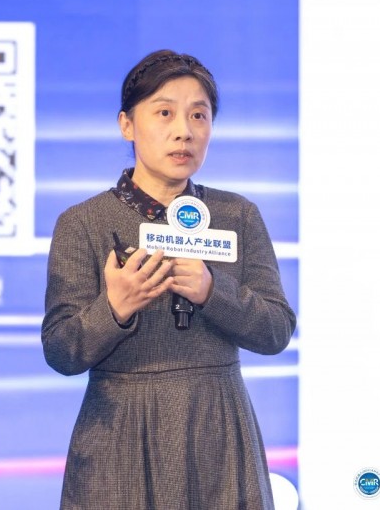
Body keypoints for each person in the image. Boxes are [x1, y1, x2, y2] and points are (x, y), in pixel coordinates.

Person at [41, 49, 296, 509]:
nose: (184, 131)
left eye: (199, 115)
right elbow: (61, 351)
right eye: (164, 113)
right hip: (120, 432)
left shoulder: (237, 214)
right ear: (127, 125)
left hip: (218, 428)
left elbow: (276, 331)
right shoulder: (83, 222)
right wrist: (114, 309)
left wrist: (213, 292)